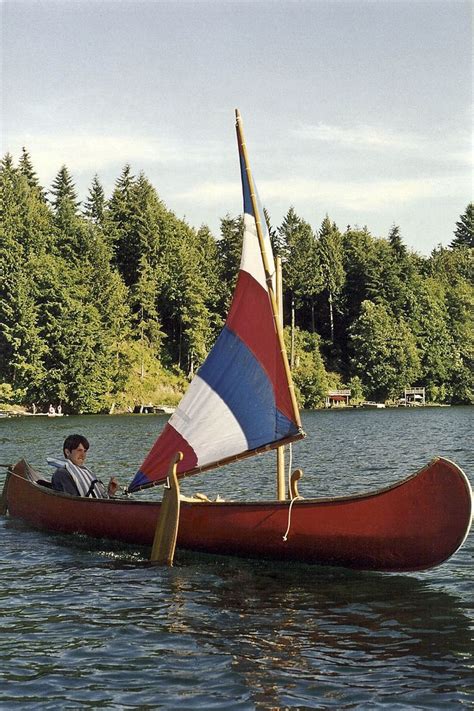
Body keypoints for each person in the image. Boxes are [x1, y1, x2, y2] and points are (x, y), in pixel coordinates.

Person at [49, 434, 118, 498]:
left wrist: (110, 493)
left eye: (85, 451)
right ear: (67, 452)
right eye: (79, 450)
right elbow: (74, 503)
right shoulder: (62, 473)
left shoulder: (86, 472)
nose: (83, 455)